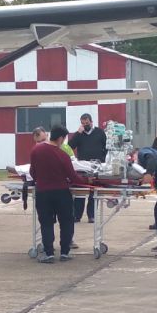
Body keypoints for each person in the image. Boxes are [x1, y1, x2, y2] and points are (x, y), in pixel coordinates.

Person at [29, 125, 83, 263]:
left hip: (43, 192)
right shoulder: (63, 155)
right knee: (66, 222)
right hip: (61, 193)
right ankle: (64, 252)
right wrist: (89, 181)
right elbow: (73, 177)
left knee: (46, 223)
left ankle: (49, 253)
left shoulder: (36, 150)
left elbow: (32, 172)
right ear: (60, 138)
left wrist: (40, 179)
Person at [68, 113, 107, 223]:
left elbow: (106, 147)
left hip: (96, 166)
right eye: (83, 123)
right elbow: (70, 146)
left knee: (94, 191)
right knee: (80, 190)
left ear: (91, 122)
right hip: (82, 166)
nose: (85, 125)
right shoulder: (80, 134)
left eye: (87, 123)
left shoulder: (100, 132)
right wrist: (78, 133)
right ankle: (77, 215)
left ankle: (91, 215)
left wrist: (103, 160)